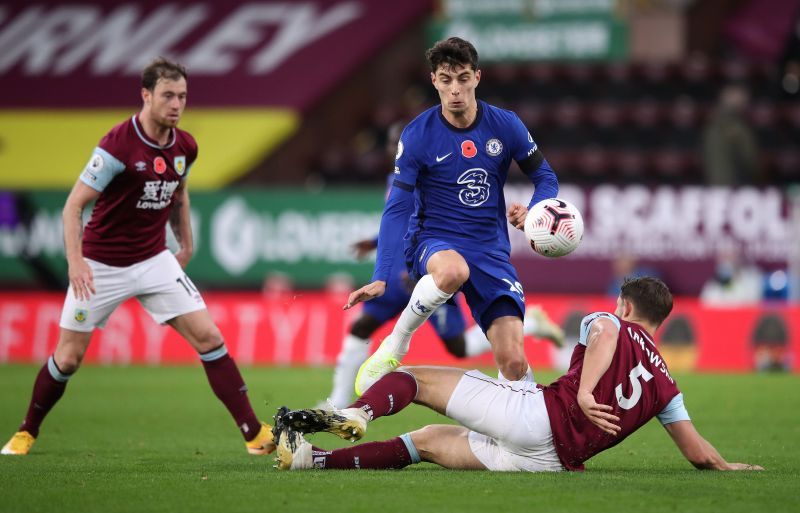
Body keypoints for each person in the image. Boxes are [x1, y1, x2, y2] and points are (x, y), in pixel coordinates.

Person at [1, 58, 274, 456]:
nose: (176, 104)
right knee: (69, 358)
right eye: (167, 95)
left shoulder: (185, 146)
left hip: (152, 259)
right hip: (100, 265)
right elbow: (73, 206)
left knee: (210, 337)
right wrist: (76, 263)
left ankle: (254, 434)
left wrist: (187, 243)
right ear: (146, 96)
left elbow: (178, 193)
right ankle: (26, 432)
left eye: (182, 96)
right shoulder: (117, 145)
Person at [272, 277, 763, 473]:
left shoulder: (611, 321)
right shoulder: (667, 389)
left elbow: (605, 338)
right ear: (662, 321)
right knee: (427, 441)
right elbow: (697, 452)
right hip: (547, 462)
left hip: (534, 417)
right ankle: (311, 460)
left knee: (417, 379)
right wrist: (728, 468)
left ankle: (356, 411)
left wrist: (588, 390)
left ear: (626, 305)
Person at [345, 37, 560, 396]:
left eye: (462, 78)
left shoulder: (505, 125)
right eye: (446, 80)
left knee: (514, 363)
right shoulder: (417, 134)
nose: (455, 89)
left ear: (478, 77)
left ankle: (512, 444)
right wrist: (381, 276)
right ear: (434, 81)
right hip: (433, 240)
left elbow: (546, 178)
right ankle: (397, 345)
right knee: (453, 270)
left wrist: (536, 213)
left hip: (490, 250)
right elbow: (397, 207)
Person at [328, 121, 563, 408]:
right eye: (392, 144)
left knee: (459, 347)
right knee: (361, 326)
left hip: (437, 266)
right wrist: (377, 244)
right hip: (409, 268)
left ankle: (528, 329)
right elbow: (401, 219)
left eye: (397, 142)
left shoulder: (436, 168)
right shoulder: (400, 177)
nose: (395, 149)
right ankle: (338, 402)